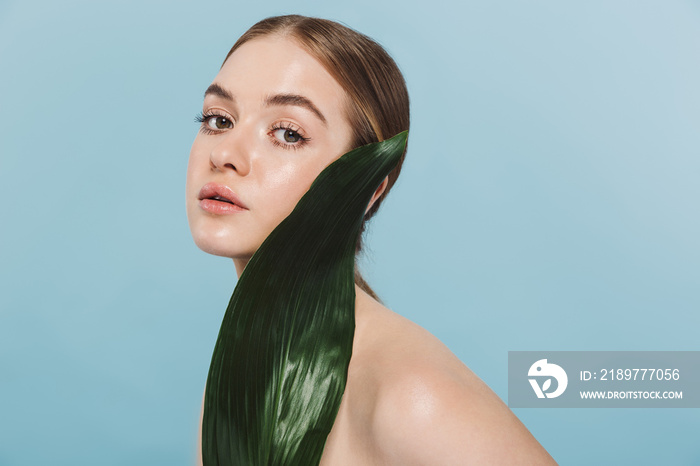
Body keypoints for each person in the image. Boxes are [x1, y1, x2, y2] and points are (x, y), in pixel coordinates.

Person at [186, 14, 557, 465]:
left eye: (288, 133)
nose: (224, 154)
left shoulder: (411, 397)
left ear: (368, 185)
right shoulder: (236, 375)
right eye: (218, 119)